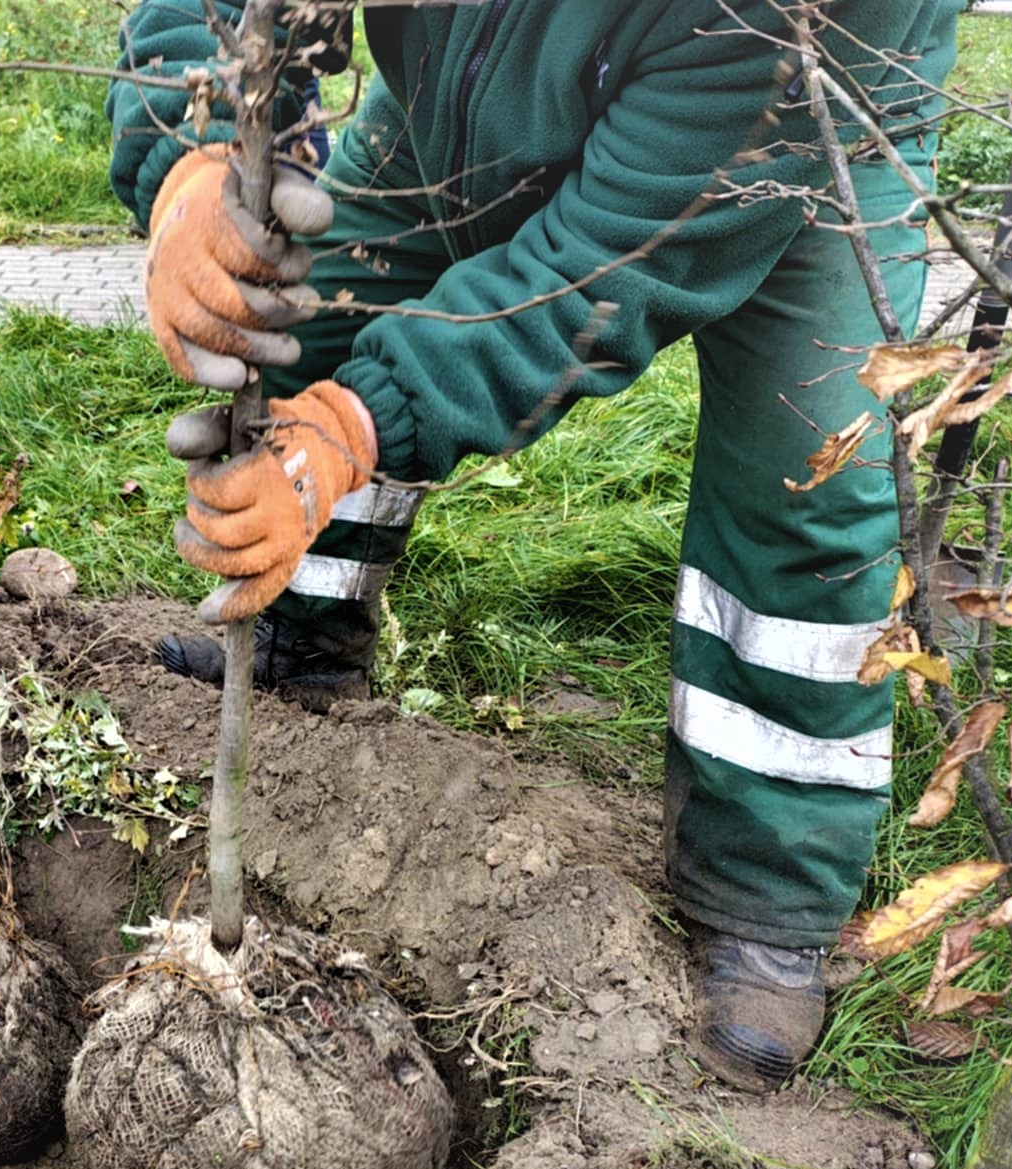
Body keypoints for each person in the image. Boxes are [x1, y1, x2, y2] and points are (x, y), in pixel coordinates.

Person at [108, 0, 963, 1092]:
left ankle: (767, 893)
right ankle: (302, 636)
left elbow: (603, 268)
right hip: (458, 98)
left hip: (794, 147)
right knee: (311, 308)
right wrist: (192, 157)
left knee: (805, 477)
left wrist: (353, 428)